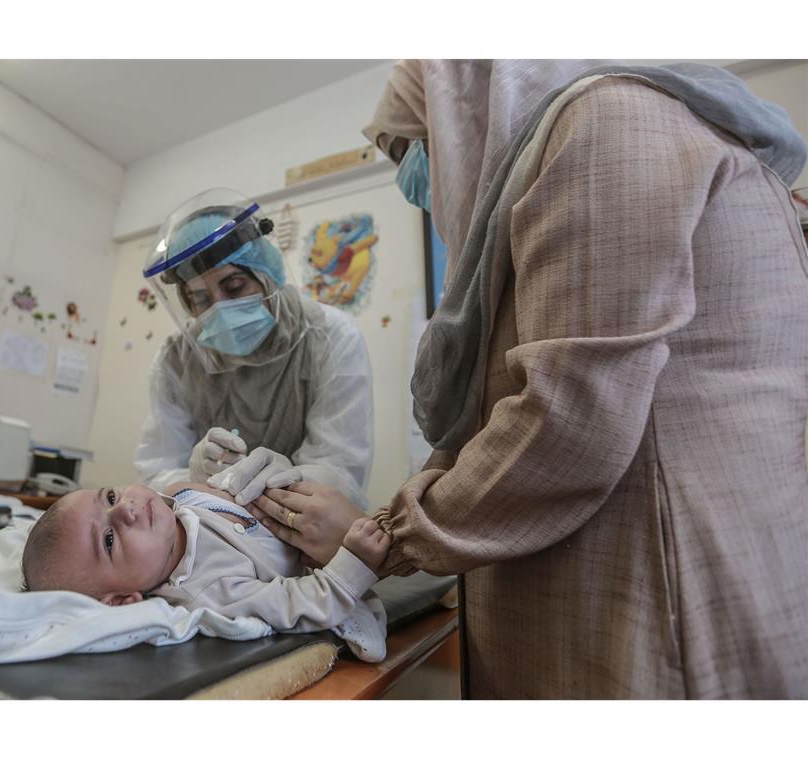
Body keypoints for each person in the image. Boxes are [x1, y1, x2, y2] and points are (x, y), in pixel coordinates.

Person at [250, 60, 808, 698]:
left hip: (661, 601)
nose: (413, 178)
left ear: (462, 109)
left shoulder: (609, 123)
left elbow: (568, 420)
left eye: (409, 148)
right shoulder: (579, 161)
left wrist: (387, 535)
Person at [135, 188, 374, 509]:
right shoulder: (177, 361)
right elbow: (155, 472)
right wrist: (190, 477)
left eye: (234, 286)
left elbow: (341, 472)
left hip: (300, 535)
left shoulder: (329, 336)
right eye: (200, 299)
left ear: (266, 274)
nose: (220, 308)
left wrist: (290, 478)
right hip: (209, 531)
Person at [20, 481, 389, 661]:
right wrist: (355, 564)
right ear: (120, 600)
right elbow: (302, 603)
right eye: (109, 540)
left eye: (111, 498)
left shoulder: (180, 498)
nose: (126, 509)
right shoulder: (209, 592)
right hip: (334, 554)